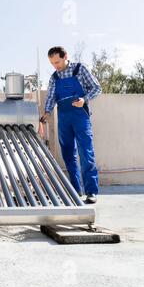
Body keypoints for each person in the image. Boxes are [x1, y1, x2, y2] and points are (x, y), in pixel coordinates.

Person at [40, 46, 102, 204]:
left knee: (86, 152)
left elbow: (97, 88)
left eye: (57, 62)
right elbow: (51, 97)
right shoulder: (54, 77)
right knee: (68, 154)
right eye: (52, 63)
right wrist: (46, 113)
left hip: (80, 116)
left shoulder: (80, 69)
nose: (56, 66)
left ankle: (91, 191)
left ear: (65, 56)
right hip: (64, 117)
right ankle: (75, 190)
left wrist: (84, 100)